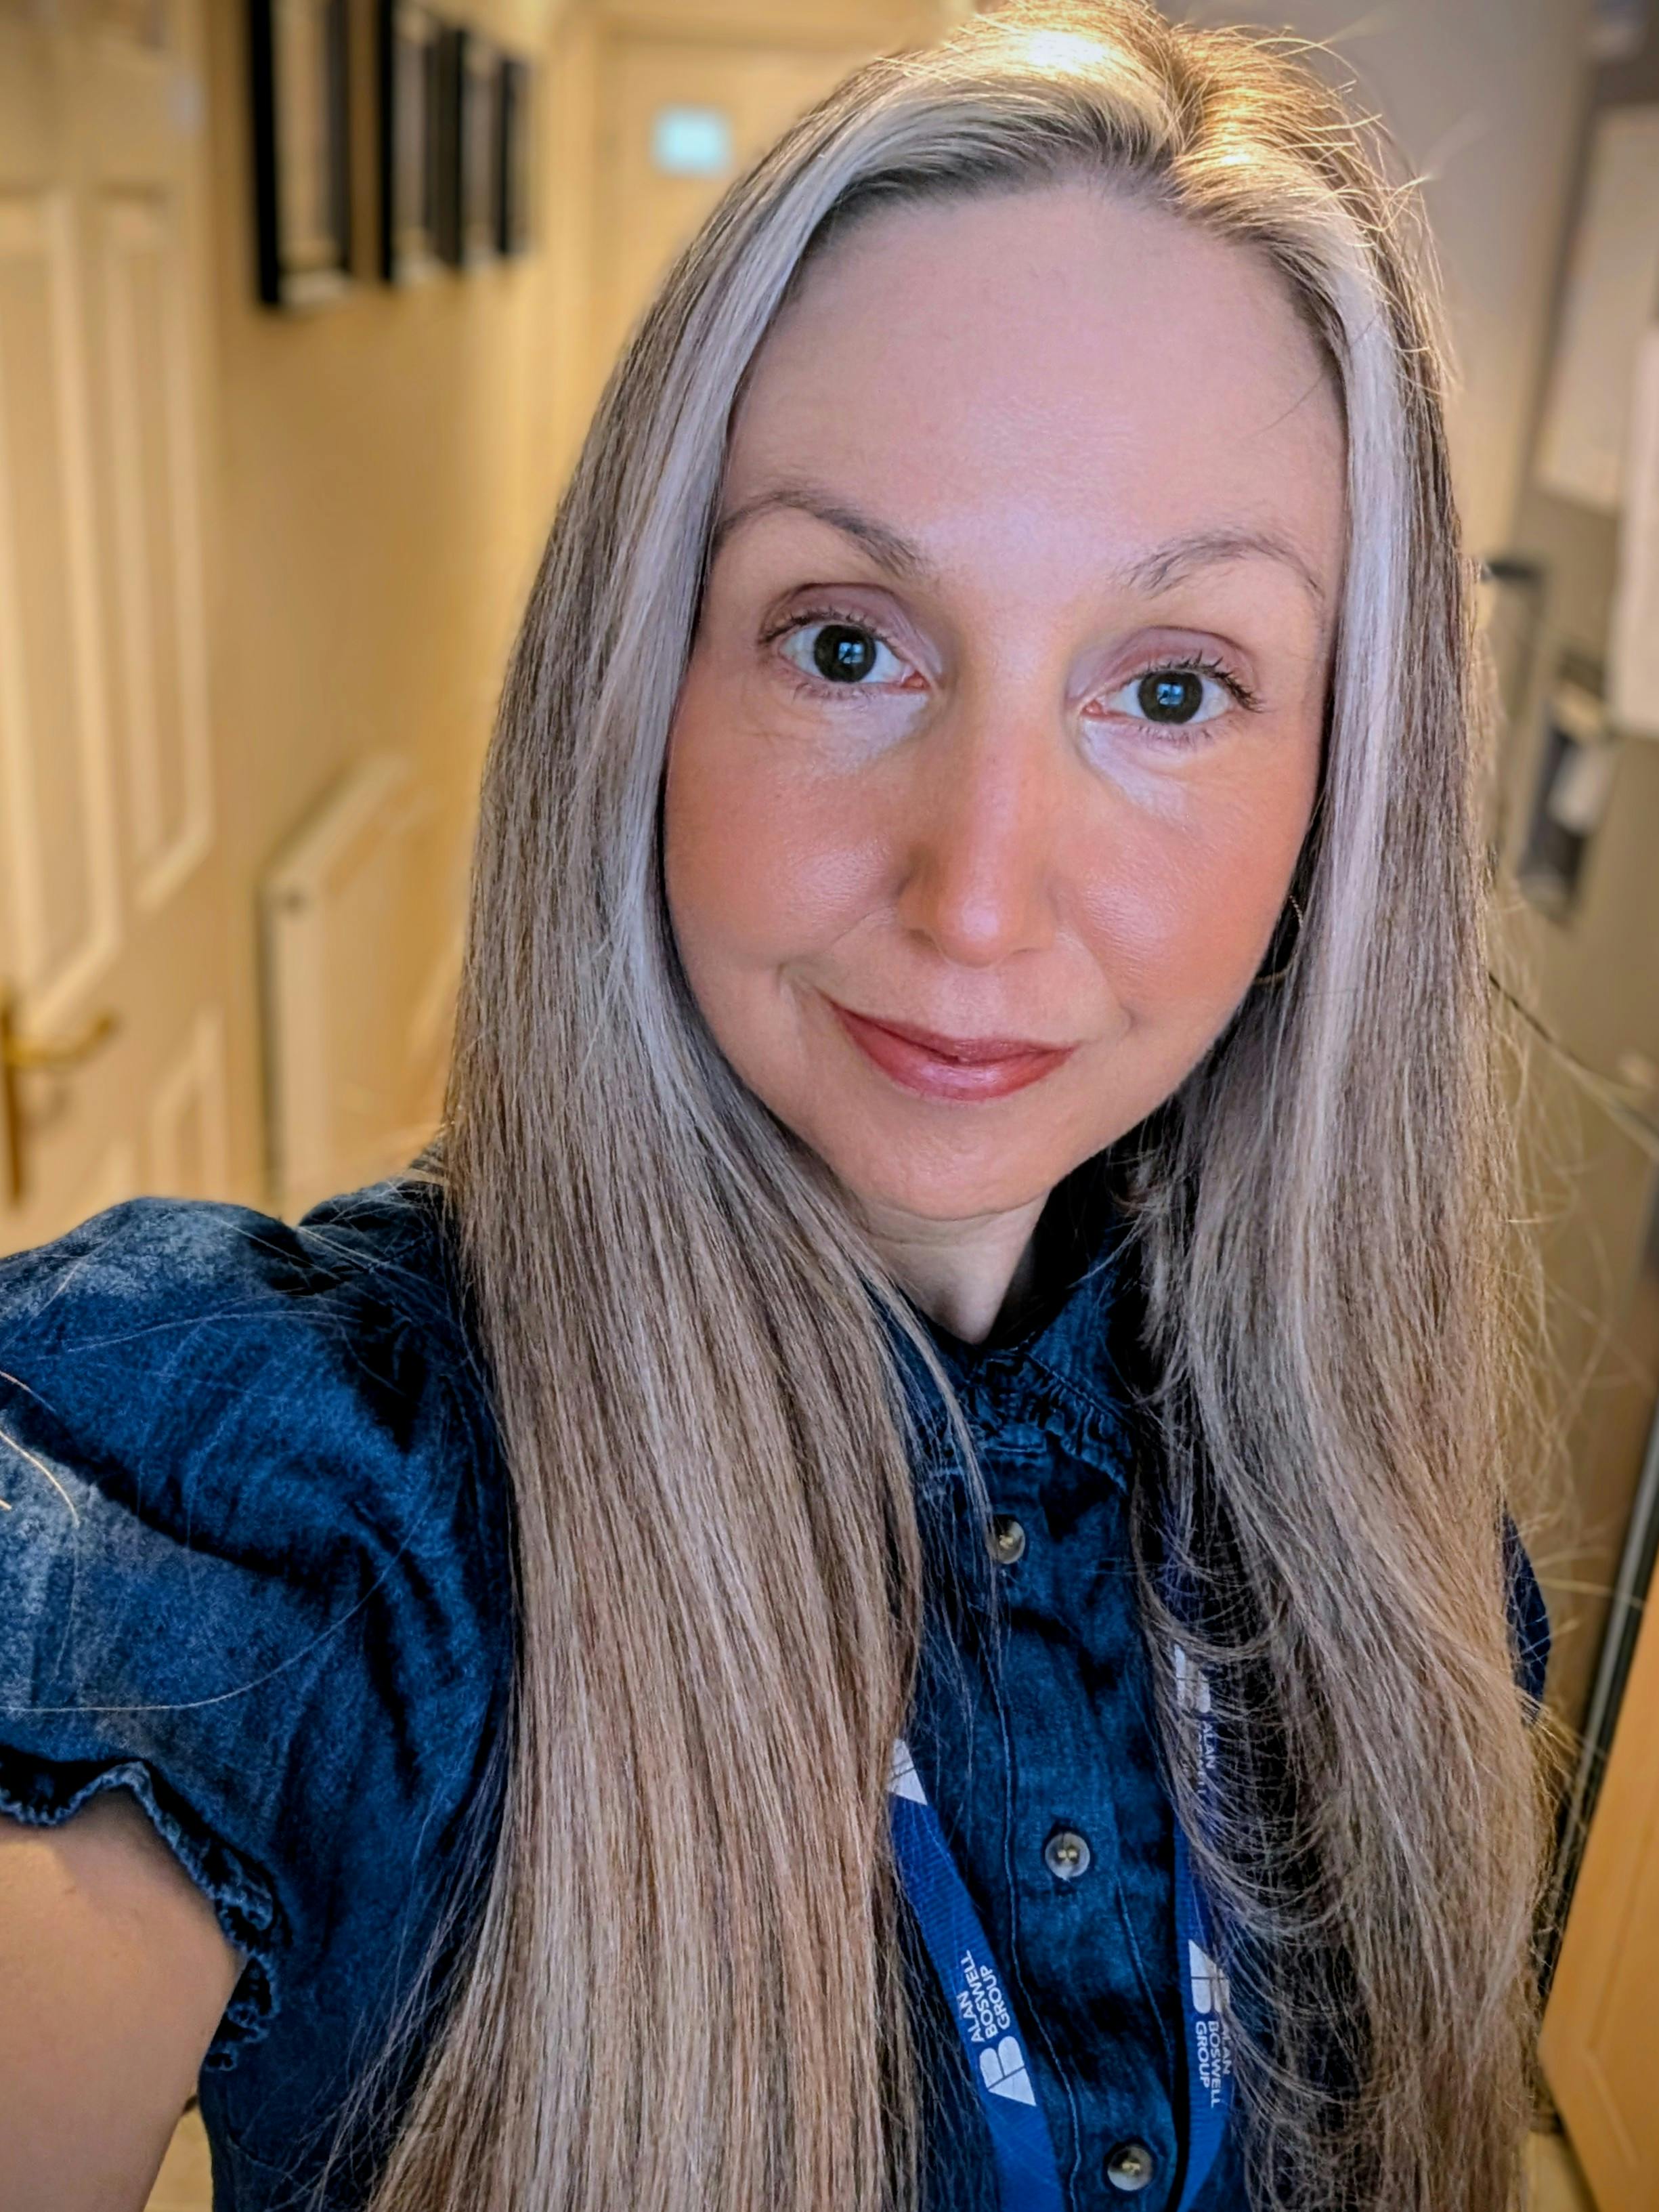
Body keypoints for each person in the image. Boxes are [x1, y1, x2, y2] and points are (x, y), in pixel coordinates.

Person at [0, 5, 1557, 2209]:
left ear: (1342, 782)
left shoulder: (1401, 1576)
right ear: (640, 683)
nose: (977, 893)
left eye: (1170, 686)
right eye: (844, 643)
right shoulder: (311, 1526)